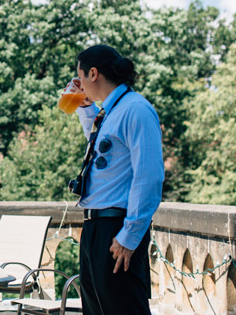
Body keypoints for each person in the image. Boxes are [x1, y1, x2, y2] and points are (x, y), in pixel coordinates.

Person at [71, 45, 164, 315]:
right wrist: (85, 109)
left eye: (80, 78)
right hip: (95, 228)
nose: (79, 85)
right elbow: (101, 148)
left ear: (93, 73)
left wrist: (130, 234)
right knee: (97, 309)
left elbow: (149, 177)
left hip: (116, 228)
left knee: (122, 308)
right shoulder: (110, 111)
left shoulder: (136, 109)